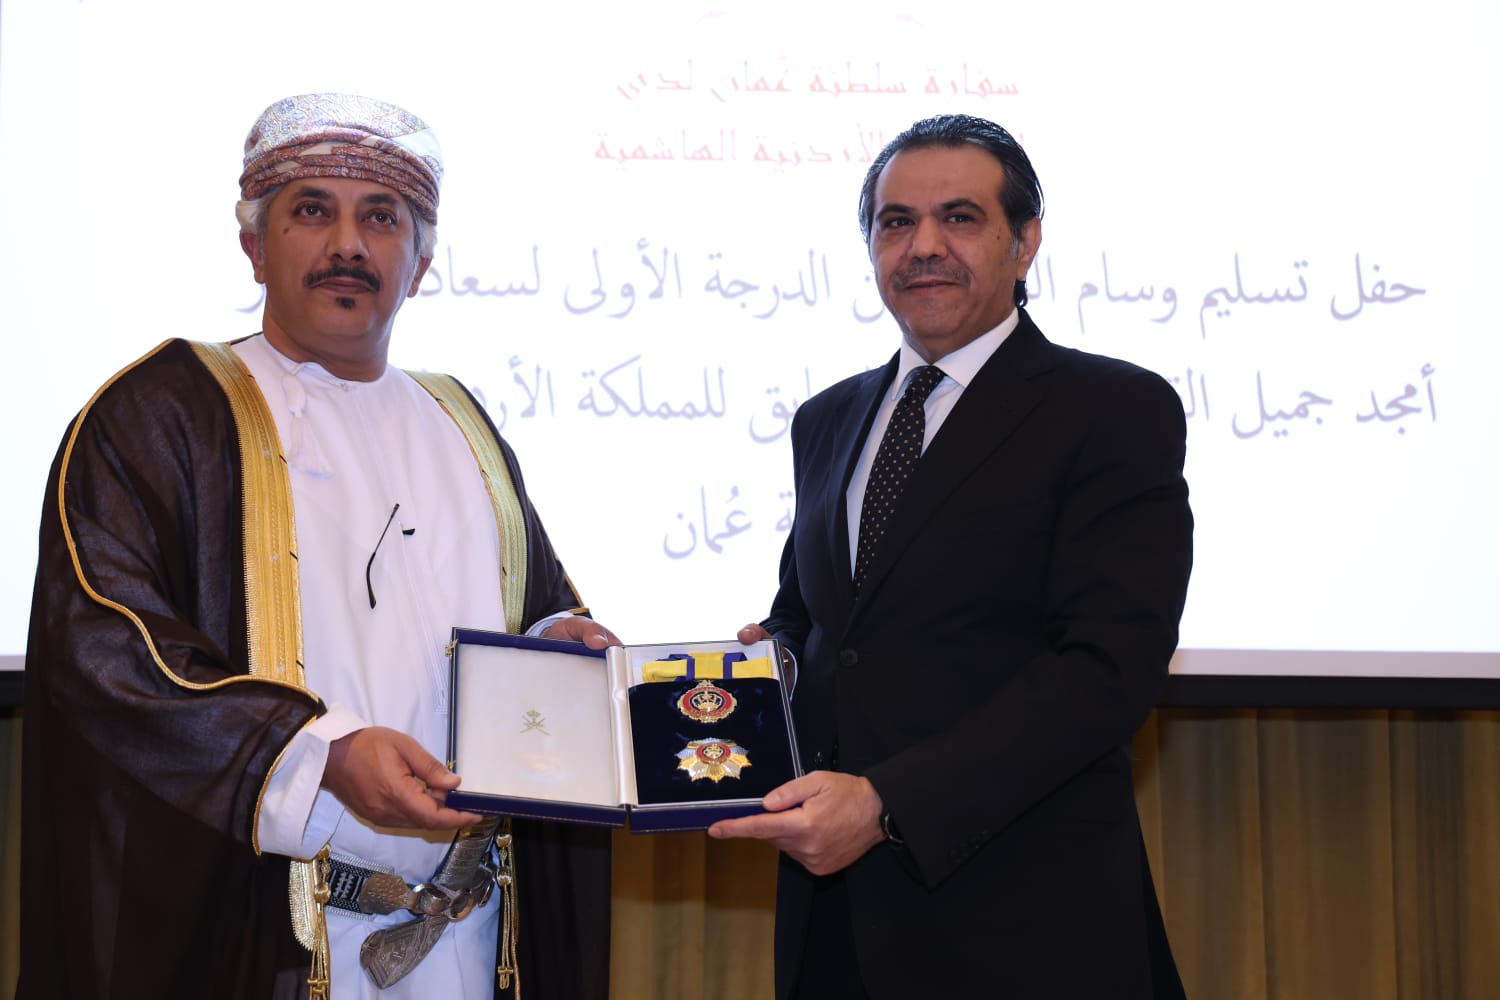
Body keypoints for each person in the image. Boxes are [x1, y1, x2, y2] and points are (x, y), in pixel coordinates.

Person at [20, 93, 614, 1000]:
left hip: (468, 938)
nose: (348, 245)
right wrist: (321, 754)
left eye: (381, 218)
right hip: (271, 939)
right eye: (311, 211)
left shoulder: (460, 421)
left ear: (420, 264)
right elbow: (105, 651)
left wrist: (556, 645)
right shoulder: (160, 415)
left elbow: (530, 605)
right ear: (255, 246)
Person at [710, 113, 1194, 998]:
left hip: (1023, 923)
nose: (924, 246)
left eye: (959, 218)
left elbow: (1107, 669)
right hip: (835, 925)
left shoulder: (1112, 410)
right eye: (896, 222)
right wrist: (759, 668)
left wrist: (888, 803)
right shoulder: (827, 418)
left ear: (1025, 243)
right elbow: (815, 620)